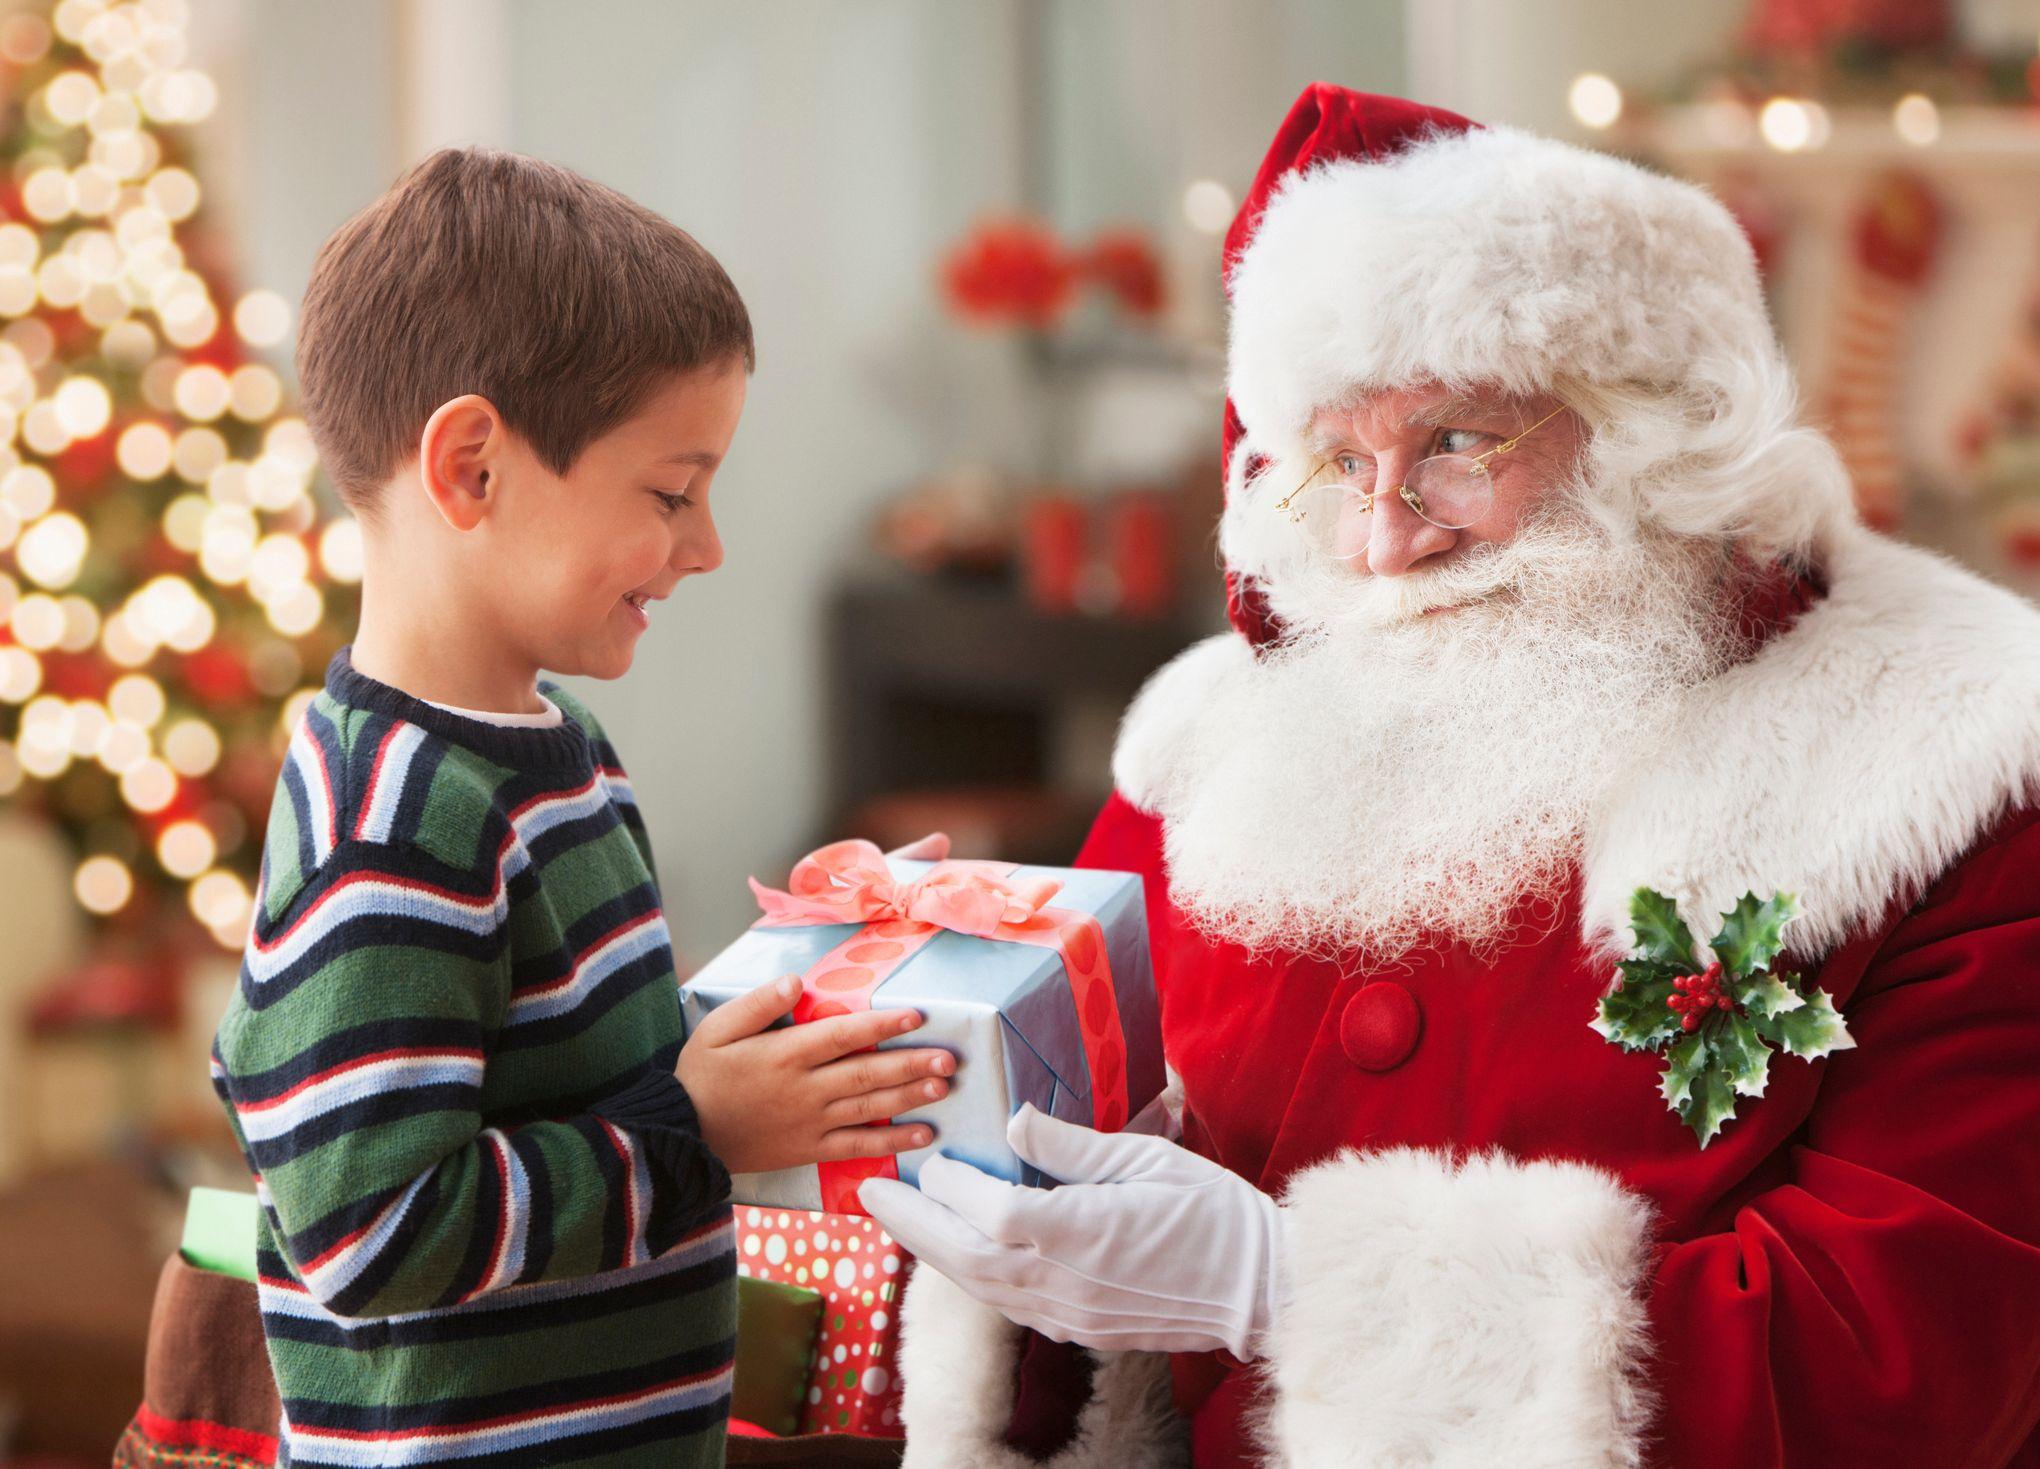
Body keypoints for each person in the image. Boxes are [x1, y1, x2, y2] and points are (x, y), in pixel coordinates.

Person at [862, 85, 2040, 1467]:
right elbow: (1032, 1282)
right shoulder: (1207, 744)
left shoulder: (1951, 765)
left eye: (1456, 446)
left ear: (1653, 434)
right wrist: (936, 1064)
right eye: (1339, 461)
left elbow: (1900, 1372)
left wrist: (1285, 1285)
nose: (1381, 540)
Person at [207, 149, 957, 1467]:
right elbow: (369, 1229)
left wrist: (811, 976)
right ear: (474, 469)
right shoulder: (396, 825)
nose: (707, 542)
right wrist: (695, 1137)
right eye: (671, 492)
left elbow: (593, 1064)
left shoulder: (562, 748)